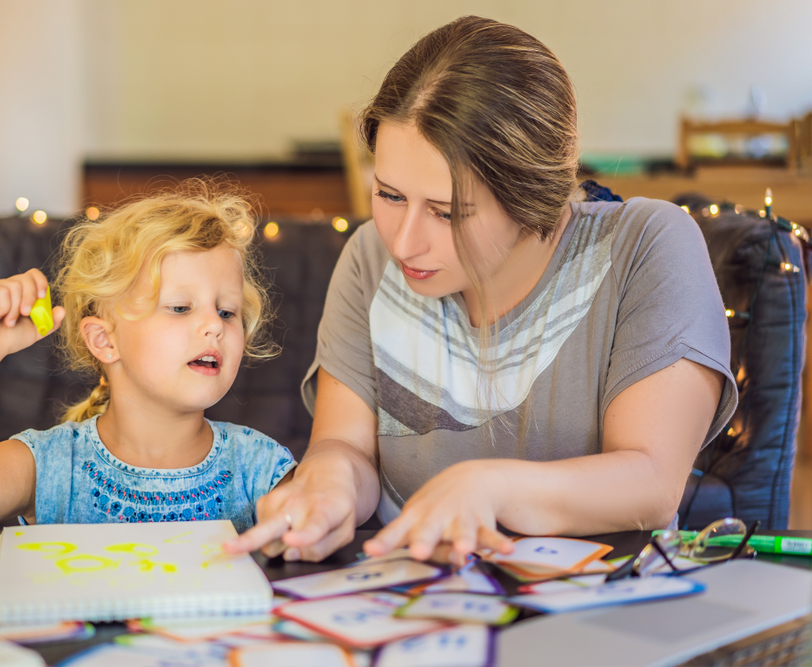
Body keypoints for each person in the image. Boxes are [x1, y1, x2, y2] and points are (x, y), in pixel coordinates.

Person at [225, 16, 737, 565]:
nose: (403, 242)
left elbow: (652, 484)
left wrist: (489, 487)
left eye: (447, 212)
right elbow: (345, 446)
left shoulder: (645, 246)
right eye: (390, 195)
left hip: (599, 611)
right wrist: (327, 486)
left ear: (530, 195)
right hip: (411, 612)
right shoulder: (370, 258)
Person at [0, 181, 296, 532]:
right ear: (104, 341)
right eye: (180, 307)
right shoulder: (49, 467)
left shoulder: (259, 467)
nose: (215, 326)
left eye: (227, 311)